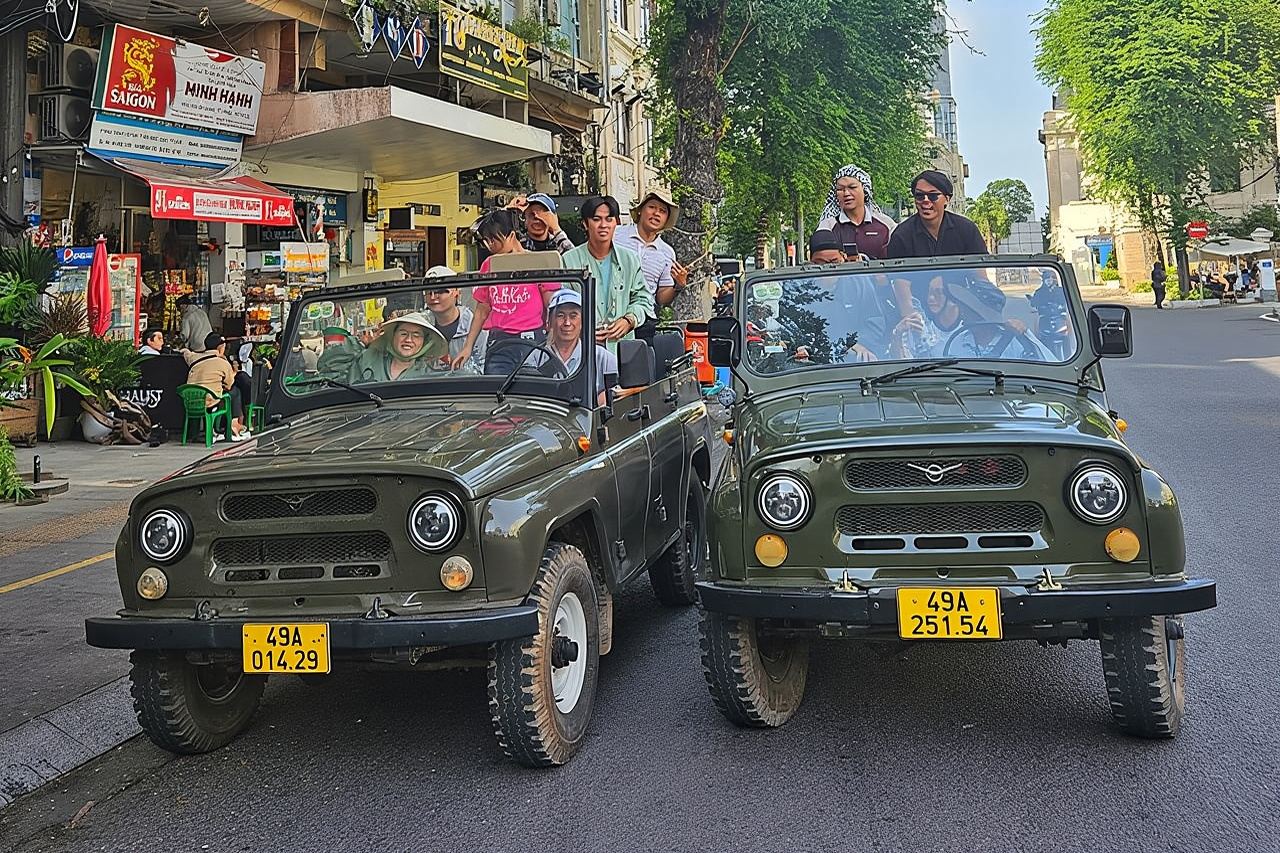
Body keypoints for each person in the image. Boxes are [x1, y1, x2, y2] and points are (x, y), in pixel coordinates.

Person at [454, 209, 560, 374]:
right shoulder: (489, 265)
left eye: (495, 240)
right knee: (496, 389)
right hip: (499, 340)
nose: (490, 246)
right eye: (487, 241)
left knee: (533, 390)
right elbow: (482, 309)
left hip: (531, 340)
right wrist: (468, 347)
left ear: (511, 236)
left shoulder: (537, 262)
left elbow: (552, 304)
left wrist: (554, 339)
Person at [562, 196, 654, 350]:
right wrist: (581, 328)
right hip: (581, 348)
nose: (603, 225)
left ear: (616, 223)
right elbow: (562, 305)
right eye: (596, 219)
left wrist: (629, 320)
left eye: (609, 219)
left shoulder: (629, 259)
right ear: (585, 224)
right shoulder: (569, 260)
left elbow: (644, 300)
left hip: (623, 350)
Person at [615, 188, 690, 343]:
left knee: (639, 365)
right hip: (612, 311)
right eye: (652, 207)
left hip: (644, 321)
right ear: (641, 210)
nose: (656, 213)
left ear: (666, 219)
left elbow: (661, 298)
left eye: (662, 211)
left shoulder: (667, 252)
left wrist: (678, 285)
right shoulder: (616, 235)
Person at [529, 290, 618, 406]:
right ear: (549, 322)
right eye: (560, 315)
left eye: (573, 316)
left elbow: (621, 390)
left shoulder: (601, 357)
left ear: (583, 322)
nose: (567, 323)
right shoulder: (536, 358)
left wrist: (605, 398)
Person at [320, 312, 450, 384]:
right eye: (403, 333)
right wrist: (359, 343)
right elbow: (330, 368)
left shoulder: (429, 376)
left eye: (416, 335)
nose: (408, 340)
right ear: (393, 336)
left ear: (424, 342)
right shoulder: (368, 357)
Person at [886, 170, 989, 258]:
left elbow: (980, 276)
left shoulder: (967, 230)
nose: (925, 200)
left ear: (947, 199)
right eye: (919, 195)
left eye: (933, 195)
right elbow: (900, 280)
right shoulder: (901, 235)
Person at [815, 164, 897, 260]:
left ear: (865, 189)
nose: (846, 193)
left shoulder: (886, 225)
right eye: (840, 189)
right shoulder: (827, 226)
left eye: (852, 187)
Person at [183, 333, 248, 440]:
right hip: (209, 400)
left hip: (190, 400)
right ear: (220, 347)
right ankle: (233, 427)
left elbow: (186, 353)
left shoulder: (194, 358)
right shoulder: (222, 363)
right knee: (235, 392)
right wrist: (234, 372)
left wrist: (184, 350)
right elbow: (229, 385)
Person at [423, 265, 486, 372]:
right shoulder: (421, 326)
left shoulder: (475, 326)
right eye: (429, 292)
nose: (433, 297)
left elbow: (482, 366)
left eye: (441, 291)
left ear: (457, 292)